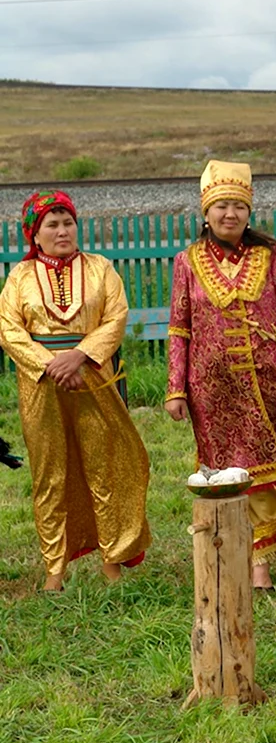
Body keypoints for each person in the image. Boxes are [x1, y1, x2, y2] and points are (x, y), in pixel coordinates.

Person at [165, 161, 276, 591]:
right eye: (222, 206)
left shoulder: (270, 255)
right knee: (232, 472)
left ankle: (259, 557)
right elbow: (179, 327)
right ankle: (250, 560)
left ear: (249, 211)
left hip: (268, 382)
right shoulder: (186, 262)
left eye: (239, 206)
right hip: (213, 391)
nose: (231, 214)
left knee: (269, 467)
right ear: (205, 213)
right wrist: (176, 388)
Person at [0, 190, 152, 591]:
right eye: (52, 224)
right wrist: (51, 364)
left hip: (93, 378)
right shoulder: (19, 277)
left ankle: (113, 560)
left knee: (106, 465)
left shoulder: (101, 268)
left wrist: (81, 356)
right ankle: (55, 567)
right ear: (35, 234)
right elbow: (9, 329)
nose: (63, 231)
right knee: (50, 473)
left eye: (68, 222)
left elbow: (115, 318)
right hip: (41, 385)